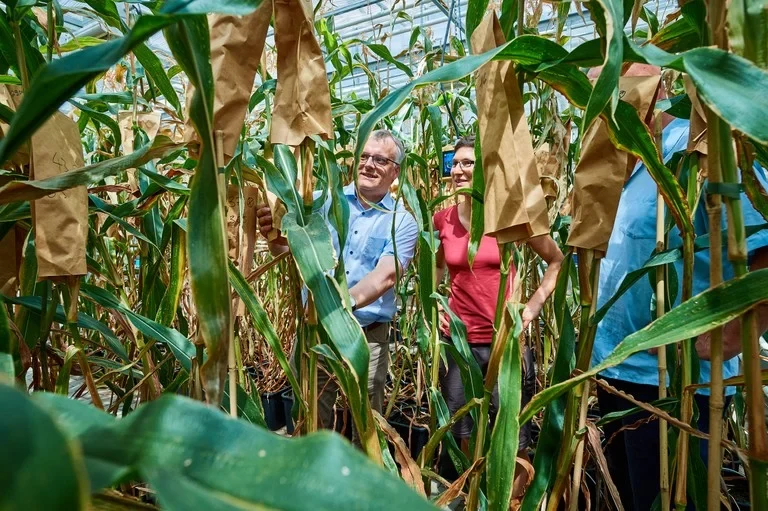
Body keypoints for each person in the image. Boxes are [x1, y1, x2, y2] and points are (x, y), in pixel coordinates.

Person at [591, 67, 768, 511]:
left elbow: (763, 249)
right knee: (630, 498)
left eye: (611, 93)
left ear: (657, 91)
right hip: (617, 373)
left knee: (668, 498)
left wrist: (722, 339)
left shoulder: (700, 152)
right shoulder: (619, 162)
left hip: (675, 382)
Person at [256, 129, 418, 430]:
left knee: (367, 424)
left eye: (380, 160)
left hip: (367, 338)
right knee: (310, 417)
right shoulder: (320, 201)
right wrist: (272, 228)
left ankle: (362, 476)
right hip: (315, 332)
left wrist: (336, 305)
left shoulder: (402, 221)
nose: (368, 165)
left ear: (395, 172)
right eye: (364, 156)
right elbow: (285, 248)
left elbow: (385, 277)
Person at [434, 136, 564, 496]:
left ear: (487, 170)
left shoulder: (509, 217)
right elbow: (438, 269)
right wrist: (438, 306)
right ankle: (469, 496)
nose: (458, 170)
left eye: (468, 163)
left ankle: (513, 499)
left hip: (506, 342)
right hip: (460, 343)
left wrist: (532, 307)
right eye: (455, 163)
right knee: (463, 430)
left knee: (513, 431)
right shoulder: (443, 219)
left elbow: (556, 260)